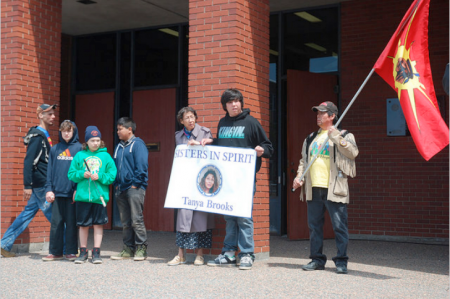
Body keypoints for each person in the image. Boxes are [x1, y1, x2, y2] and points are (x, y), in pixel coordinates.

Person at [201, 89, 273, 270]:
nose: (235, 104)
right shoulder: (222, 123)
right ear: (224, 105)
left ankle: (247, 253)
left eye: (237, 101)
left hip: (245, 180)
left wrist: (261, 150)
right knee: (229, 217)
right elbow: (225, 147)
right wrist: (212, 142)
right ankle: (228, 253)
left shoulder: (251, 122)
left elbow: (268, 147)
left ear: (241, 103)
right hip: (226, 181)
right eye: (231, 102)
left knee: (243, 217)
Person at [292, 101, 358, 274]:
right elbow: (303, 161)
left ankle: (341, 261)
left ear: (332, 116)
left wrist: (335, 136)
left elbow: (353, 152)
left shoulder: (344, 134)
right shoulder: (311, 137)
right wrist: (299, 177)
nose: (318, 116)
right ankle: (316, 259)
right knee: (314, 226)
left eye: (322, 113)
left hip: (334, 189)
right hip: (314, 188)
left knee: (339, 226)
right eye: (317, 113)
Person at [1, 104, 57, 258]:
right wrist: (27, 185)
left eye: (53, 114)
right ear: (40, 115)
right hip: (41, 184)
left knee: (26, 215)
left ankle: (4, 244)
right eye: (49, 114)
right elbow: (28, 161)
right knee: (56, 216)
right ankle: (66, 247)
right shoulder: (37, 136)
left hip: (40, 184)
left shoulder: (43, 134)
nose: (53, 117)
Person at [167, 106, 215, 266]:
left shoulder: (205, 132)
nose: (190, 120)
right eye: (187, 117)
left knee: (201, 217)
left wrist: (202, 145)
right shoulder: (178, 136)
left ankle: (199, 255)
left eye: (192, 116)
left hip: (202, 181)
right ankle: (180, 254)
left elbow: (213, 154)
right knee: (183, 217)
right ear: (181, 121)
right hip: (185, 182)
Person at [68, 126, 117, 264]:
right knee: (83, 225)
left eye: (97, 140)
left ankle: (96, 252)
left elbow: (112, 175)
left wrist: (100, 176)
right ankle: (82, 252)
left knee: (98, 224)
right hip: (83, 197)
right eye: (92, 140)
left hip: (99, 197)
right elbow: (71, 174)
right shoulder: (80, 156)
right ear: (87, 142)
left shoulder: (106, 156)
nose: (95, 143)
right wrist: (81, 174)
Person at [42, 120, 82, 261]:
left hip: (72, 193)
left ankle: (71, 251)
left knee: (71, 224)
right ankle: (55, 251)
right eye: (63, 131)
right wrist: (49, 189)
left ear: (74, 132)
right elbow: (50, 172)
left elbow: (81, 172)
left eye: (69, 131)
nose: (66, 133)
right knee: (56, 224)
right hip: (57, 193)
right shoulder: (55, 149)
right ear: (60, 132)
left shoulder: (79, 149)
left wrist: (77, 189)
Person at [111, 117, 149, 261]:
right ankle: (128, 249)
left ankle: (141, 248)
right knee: (125, 222)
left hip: (135, 188)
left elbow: (142, 166)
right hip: (120, 188)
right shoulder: (119, 146)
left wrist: (135, 184)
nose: (118, 132)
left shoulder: (138, 145)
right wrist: (116, 184)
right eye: (117, 129)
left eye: (120, 129)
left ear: (129, 129)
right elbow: (114, 166)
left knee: (136, 220)